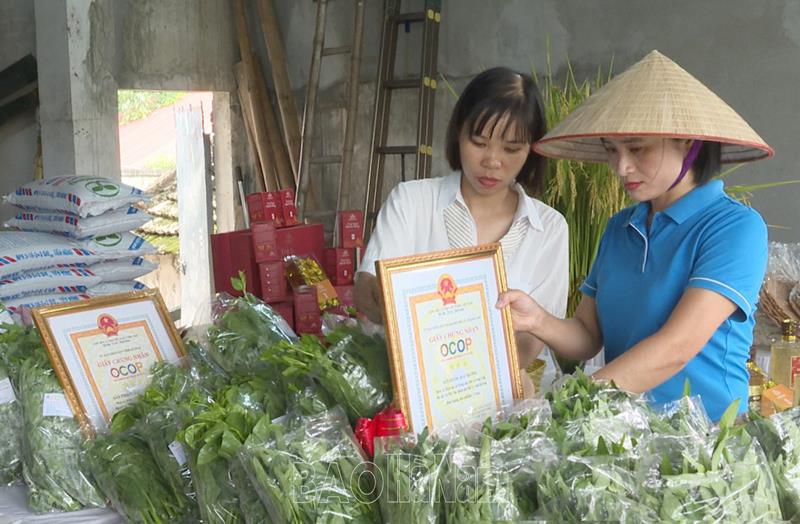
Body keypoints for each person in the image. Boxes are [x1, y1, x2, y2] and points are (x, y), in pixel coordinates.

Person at [497, 50, 772, 421]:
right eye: (612, 150)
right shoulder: (619, 227)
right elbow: (587, 336)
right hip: (624, 435)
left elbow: (675, 347)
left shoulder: (734, 228)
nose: (621, 167)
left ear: (688, 143)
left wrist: (571, 402)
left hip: (709, 444)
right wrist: (538, 321)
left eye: (638, 148)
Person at [355, 66, 569, 390]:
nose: (493, 161)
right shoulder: (412, 202)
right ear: (458, 133)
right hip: (411, 389)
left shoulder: (549, 228)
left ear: (532, 150)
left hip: (503, 396)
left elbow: (529, 344)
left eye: (511, 149)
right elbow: (367, 289)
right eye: (479, 142)